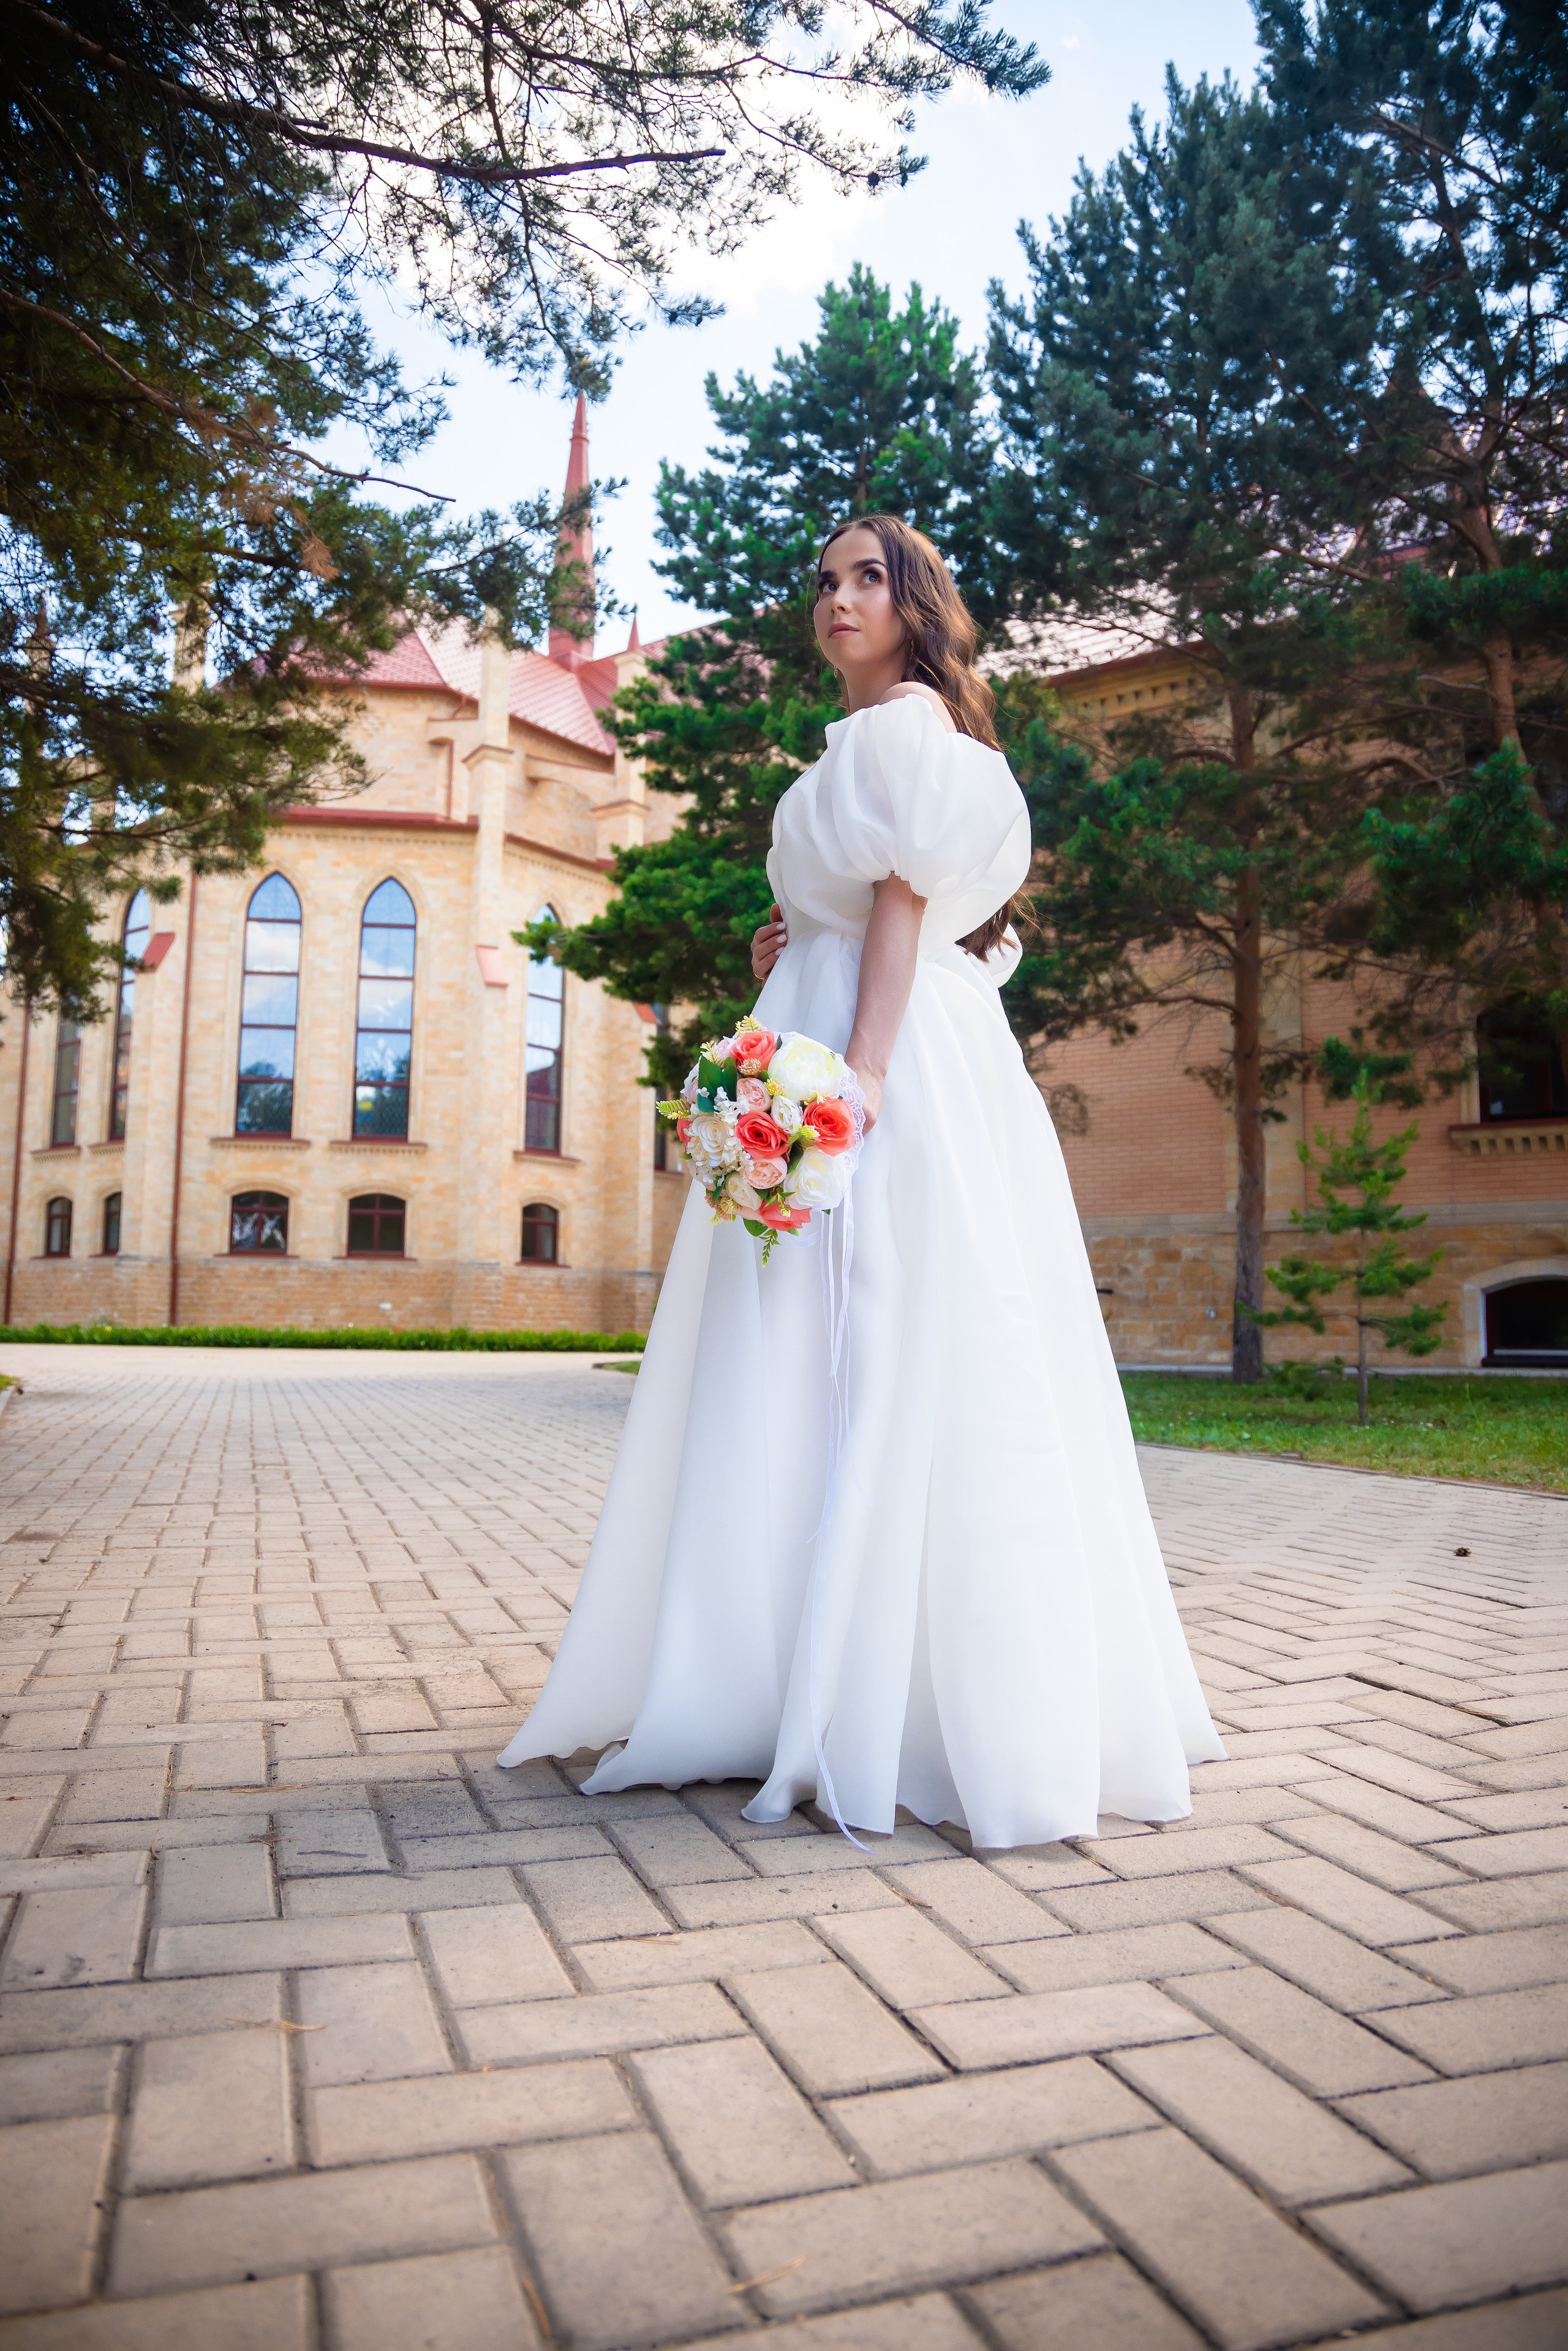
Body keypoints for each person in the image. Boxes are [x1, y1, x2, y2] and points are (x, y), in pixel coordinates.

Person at [499, 516, 1223, 1847]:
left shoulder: (903, 734)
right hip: (813, 1029)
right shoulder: (837, 750)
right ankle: (792, 1668)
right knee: (798, 1349)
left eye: (867, 577)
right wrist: (784, 944)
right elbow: (854, 906)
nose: (838, 597)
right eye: (825, 580)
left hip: (878, 1051)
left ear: (915, 604)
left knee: (886, 1336)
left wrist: (864, 1072)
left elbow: (902, 903)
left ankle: (896, 1690)